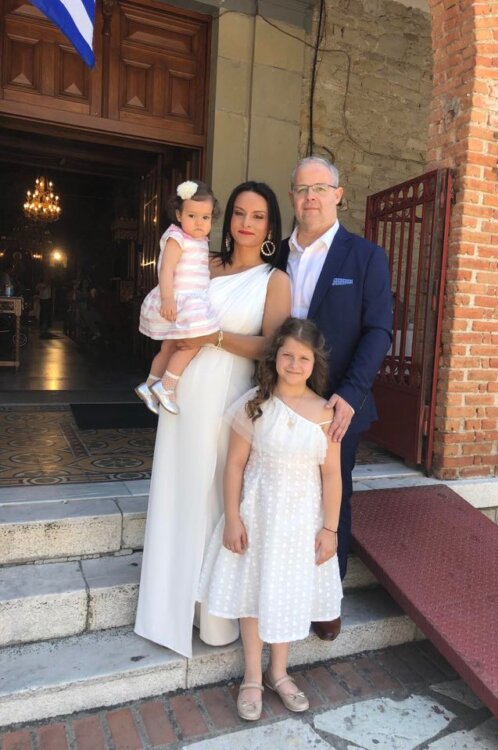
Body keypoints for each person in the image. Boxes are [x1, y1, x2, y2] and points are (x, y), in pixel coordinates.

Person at [134, 181, 291, 658]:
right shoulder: (205, 262)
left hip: (229, 397)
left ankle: (213, 616)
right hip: (184, 394)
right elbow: (173, 303)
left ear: (270, 226)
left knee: (217, 496)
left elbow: (270, 346)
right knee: (179, 489)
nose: (246, 223)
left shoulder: (274, 280)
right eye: (239, 213)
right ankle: (168, 605)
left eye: (258, 216)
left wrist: (213, 337)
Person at [198, 317, 342, 721]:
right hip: (258, 518)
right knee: (253, 590)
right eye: (287, 355)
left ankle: (278, 672)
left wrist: (330, 528)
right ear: (275, 357)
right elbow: (234, 465)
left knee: (287, 591)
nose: (294, 364)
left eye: (304, 358)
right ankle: (251, 675)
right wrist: (232, 518)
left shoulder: (325, 412)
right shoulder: (255, 405)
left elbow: (332, 475)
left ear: (315, 363)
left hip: (301, 524)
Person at [278, 156, 393, 641]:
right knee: (281, 495)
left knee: (332, 499)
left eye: (320, 188)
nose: (311, 198)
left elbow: (378, 330)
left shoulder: (365, 256)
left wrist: (351, 393)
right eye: (302, 189)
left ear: (338, 195)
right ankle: (280, 588)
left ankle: (326, 600)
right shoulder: (275, 254)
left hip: (336, 405)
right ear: (292, 196)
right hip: (279, 399)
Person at [136, 180, 219, 415]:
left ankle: (149, 386)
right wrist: (167, 299)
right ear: (179, 215)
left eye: (205, 217)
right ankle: (167, 386)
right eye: (192, 216)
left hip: (192, 300)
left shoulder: (200, 240)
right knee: (194, 342)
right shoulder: (176, 237)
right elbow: (166, 269)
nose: (199, 223)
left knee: (170, 346)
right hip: (180, 300)